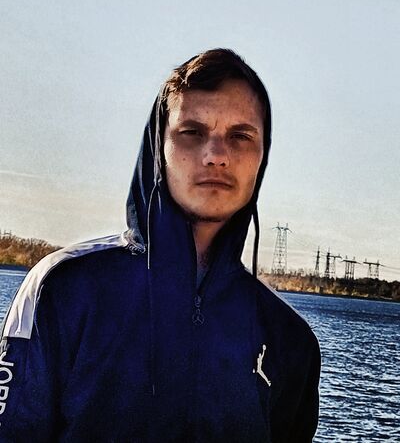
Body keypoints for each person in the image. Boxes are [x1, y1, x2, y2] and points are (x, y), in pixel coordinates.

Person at [0, 49, 320, 442]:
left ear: (262, 155)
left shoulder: (290, 340)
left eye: (240, 136)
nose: (216, 155)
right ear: (159, 147)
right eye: (192, 132)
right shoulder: (63, 288)